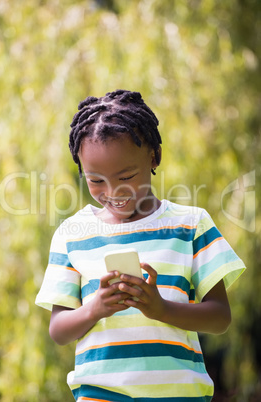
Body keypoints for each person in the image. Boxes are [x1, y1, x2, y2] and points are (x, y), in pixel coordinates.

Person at [35, 89, 246, 401]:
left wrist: (161, 308)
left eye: (126, 176)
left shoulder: (190, 225)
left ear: (154, 156)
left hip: (179, 394)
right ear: (81, 170)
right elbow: (59, 330)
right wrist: (95, 308)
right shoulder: (73, 234)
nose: (112, 191)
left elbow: (219, 318)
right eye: (95, 180)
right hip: (100, 394)